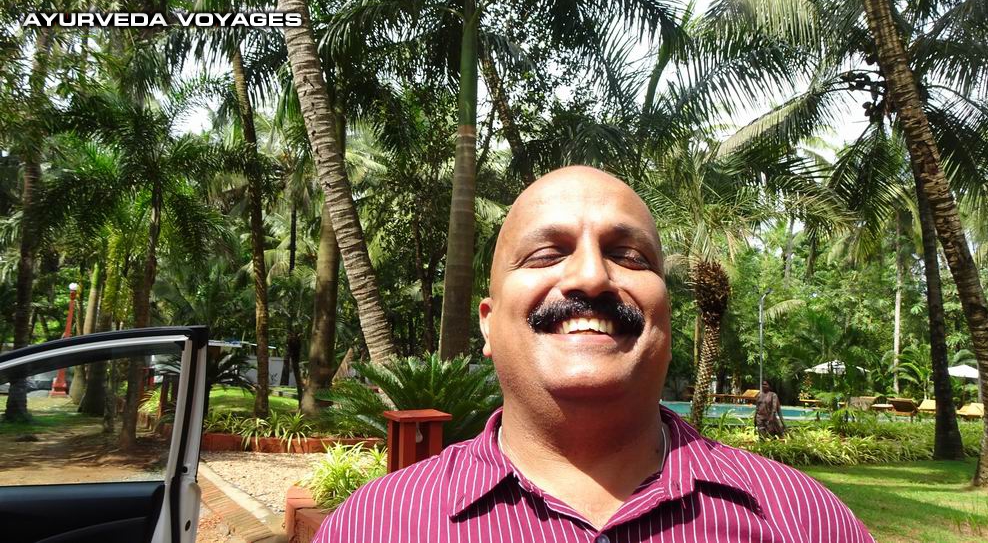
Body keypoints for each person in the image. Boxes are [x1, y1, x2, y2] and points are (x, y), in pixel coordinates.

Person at [313, 166, 873, 542]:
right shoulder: (376, 527)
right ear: (488, 322)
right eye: (545, 254)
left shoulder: (804, 522)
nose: (591, 276)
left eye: (629, 256)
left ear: (667, 315)